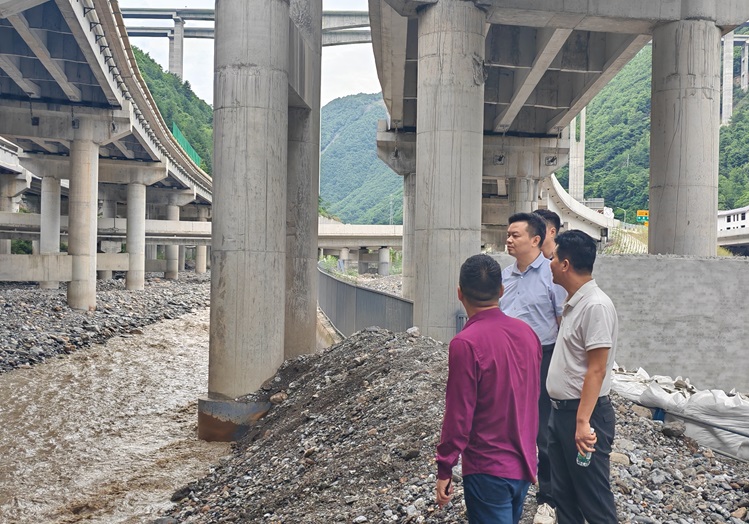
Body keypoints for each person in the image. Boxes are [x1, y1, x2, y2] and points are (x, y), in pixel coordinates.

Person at [435, 254, 542, 524]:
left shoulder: (465, 343)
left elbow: (459, 413)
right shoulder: (528, 334)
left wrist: (445, 466)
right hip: (524, 465)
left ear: (459, 293)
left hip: (488, 468)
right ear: (502, 290)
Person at [547, 230, 619, 523]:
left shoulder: (596, 306)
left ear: (565, 264)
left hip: (583, 415)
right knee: (564, 497)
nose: (549, 262)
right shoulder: (576, 302)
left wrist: (582, 422)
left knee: (593, 500)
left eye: (552, 257)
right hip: (562, 414)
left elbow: (597, 369)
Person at [500, 212, 566, 524]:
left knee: (545, 432)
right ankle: (509, 489)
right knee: (507, 427)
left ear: (536, 240)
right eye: (508, 235)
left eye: (516, 235)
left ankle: (548, 500)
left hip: (543, 358)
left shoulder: (552, 275)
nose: (509, 240)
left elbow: (560, 321)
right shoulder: (504, 276)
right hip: (508, 361)